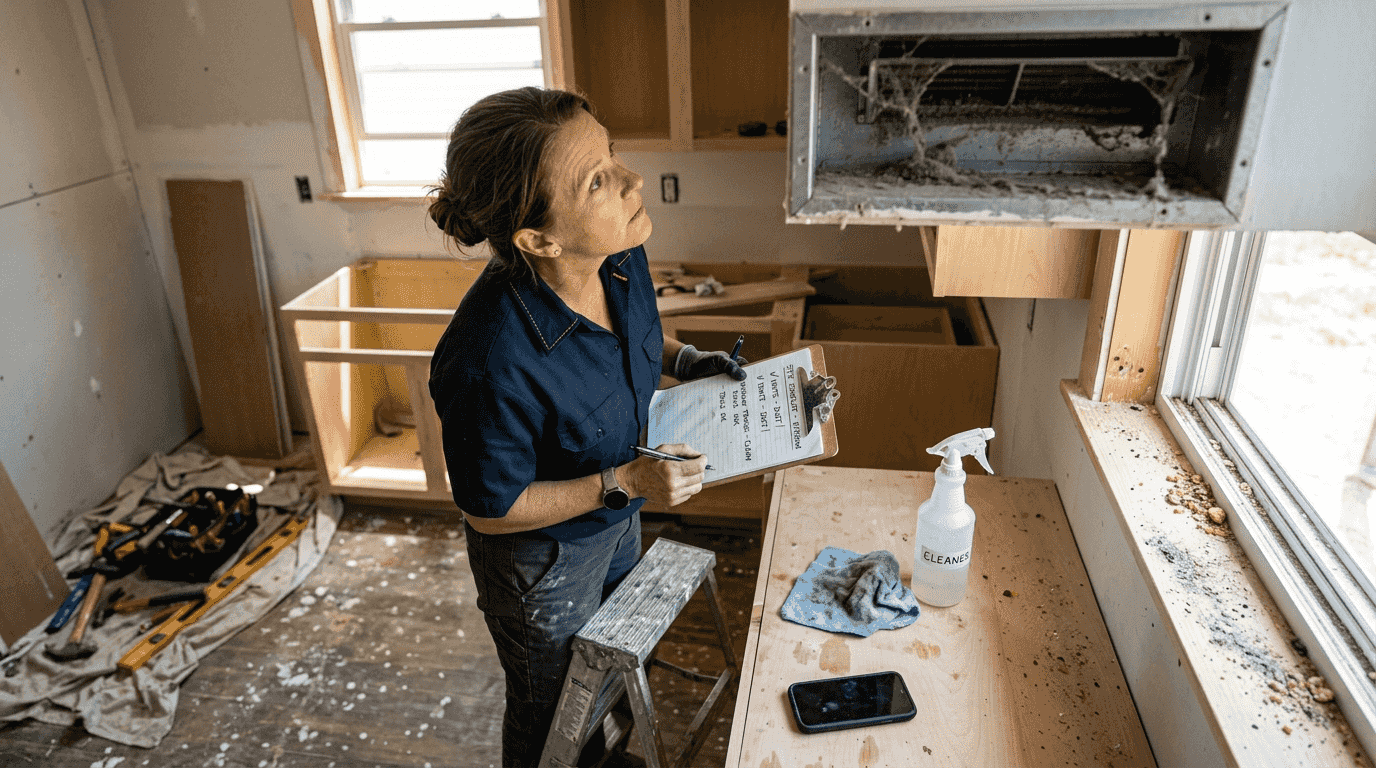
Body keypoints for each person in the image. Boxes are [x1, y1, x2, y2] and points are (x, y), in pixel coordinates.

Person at [426, 87, 747, 767]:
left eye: (613, 155)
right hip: (543, 561)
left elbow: (628, 339)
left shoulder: (618, 254)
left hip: (617, 511)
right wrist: (625, 479)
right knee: (553, 713)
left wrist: (686, 362)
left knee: (609, 667)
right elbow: (492, 509)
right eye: (597, 179)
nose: (631, 180)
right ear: (538, 238)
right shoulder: (488, 360)